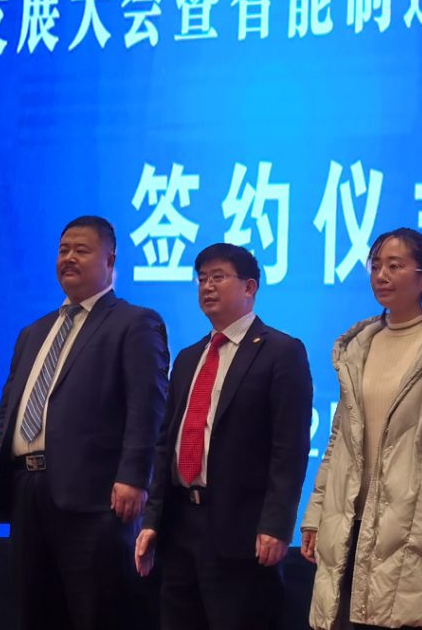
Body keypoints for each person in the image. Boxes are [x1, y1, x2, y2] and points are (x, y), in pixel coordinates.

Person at [0, 215, 169, 630]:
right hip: (28, 491)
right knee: (36, 612)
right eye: (63, 250)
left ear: (110, 261)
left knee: (96, 613)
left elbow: (148, 406)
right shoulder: (34, 332)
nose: (68, 258)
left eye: (81, 250)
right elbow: (9, 411)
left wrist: (134, 477)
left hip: (94, 497)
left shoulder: (134, 322)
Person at [301, 227, 422, 630]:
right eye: (376, 266)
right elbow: (339, 442)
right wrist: (316, 514)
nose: (381, 276)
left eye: (394, 266)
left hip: (419, 520)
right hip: (351, 519)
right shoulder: (358, 346)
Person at [135, 243, 312, 630]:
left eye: (218, 277)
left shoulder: (281, 352)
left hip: (241, 532)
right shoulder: (188, 358)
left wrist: (277, 525)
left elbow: (289, 450)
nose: (207, 286)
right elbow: (165, 446)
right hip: (180, 527)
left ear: (250, 287)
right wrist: (152, 521)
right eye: (201, 279)